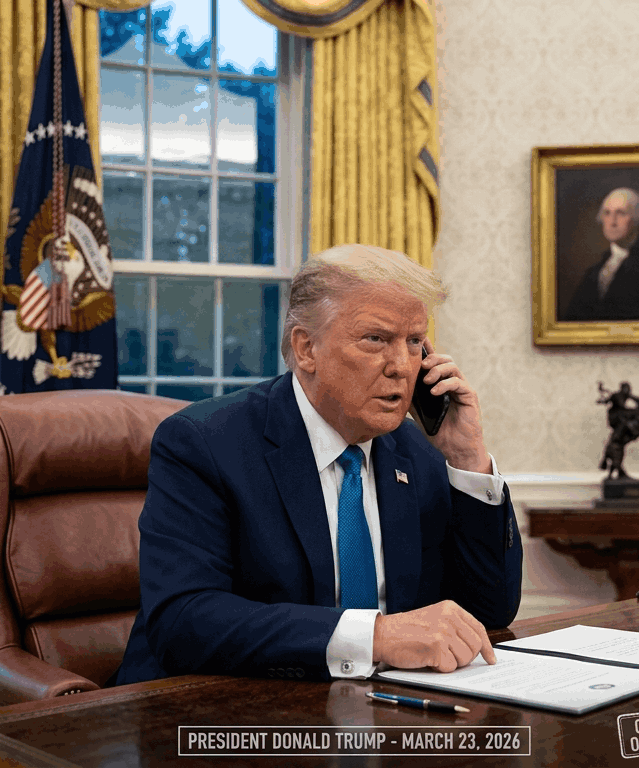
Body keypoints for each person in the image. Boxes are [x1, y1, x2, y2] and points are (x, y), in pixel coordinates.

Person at [113, 244, 522, 685]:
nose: (403, 367)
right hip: (211, 717)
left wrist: (467, 458)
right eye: (377, 339)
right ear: (306, 348)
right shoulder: (204, 444)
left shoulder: (417, 453)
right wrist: (375, 637)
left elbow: (489, 612)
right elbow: (183, 621)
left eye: (415, 342)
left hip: (379, 715)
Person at [562, 187, 639, 321]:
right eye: (607, 213)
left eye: (621, 213)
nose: (612, 221)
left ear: (638, 219)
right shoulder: (593, 273)